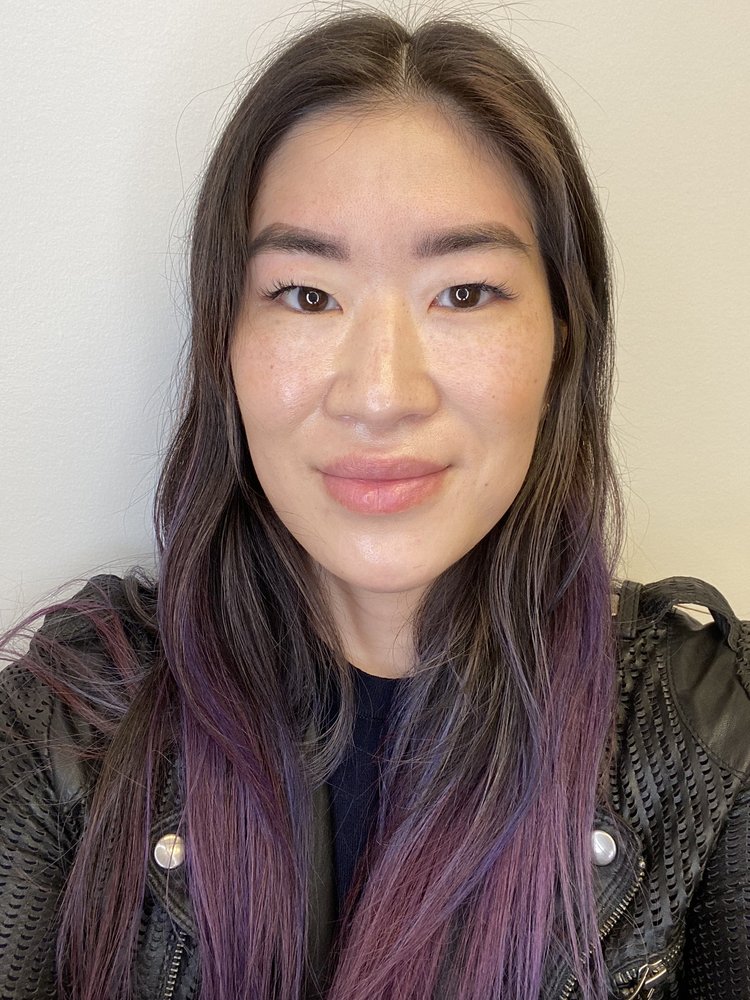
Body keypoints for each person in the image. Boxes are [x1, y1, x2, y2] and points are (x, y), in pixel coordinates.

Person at [1, 9, 748, 1000]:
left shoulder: (709, 741)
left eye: (465, 292)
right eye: (307, 295)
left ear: (564, 337)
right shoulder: (66, 730)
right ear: (225, 342)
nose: (382, 393)